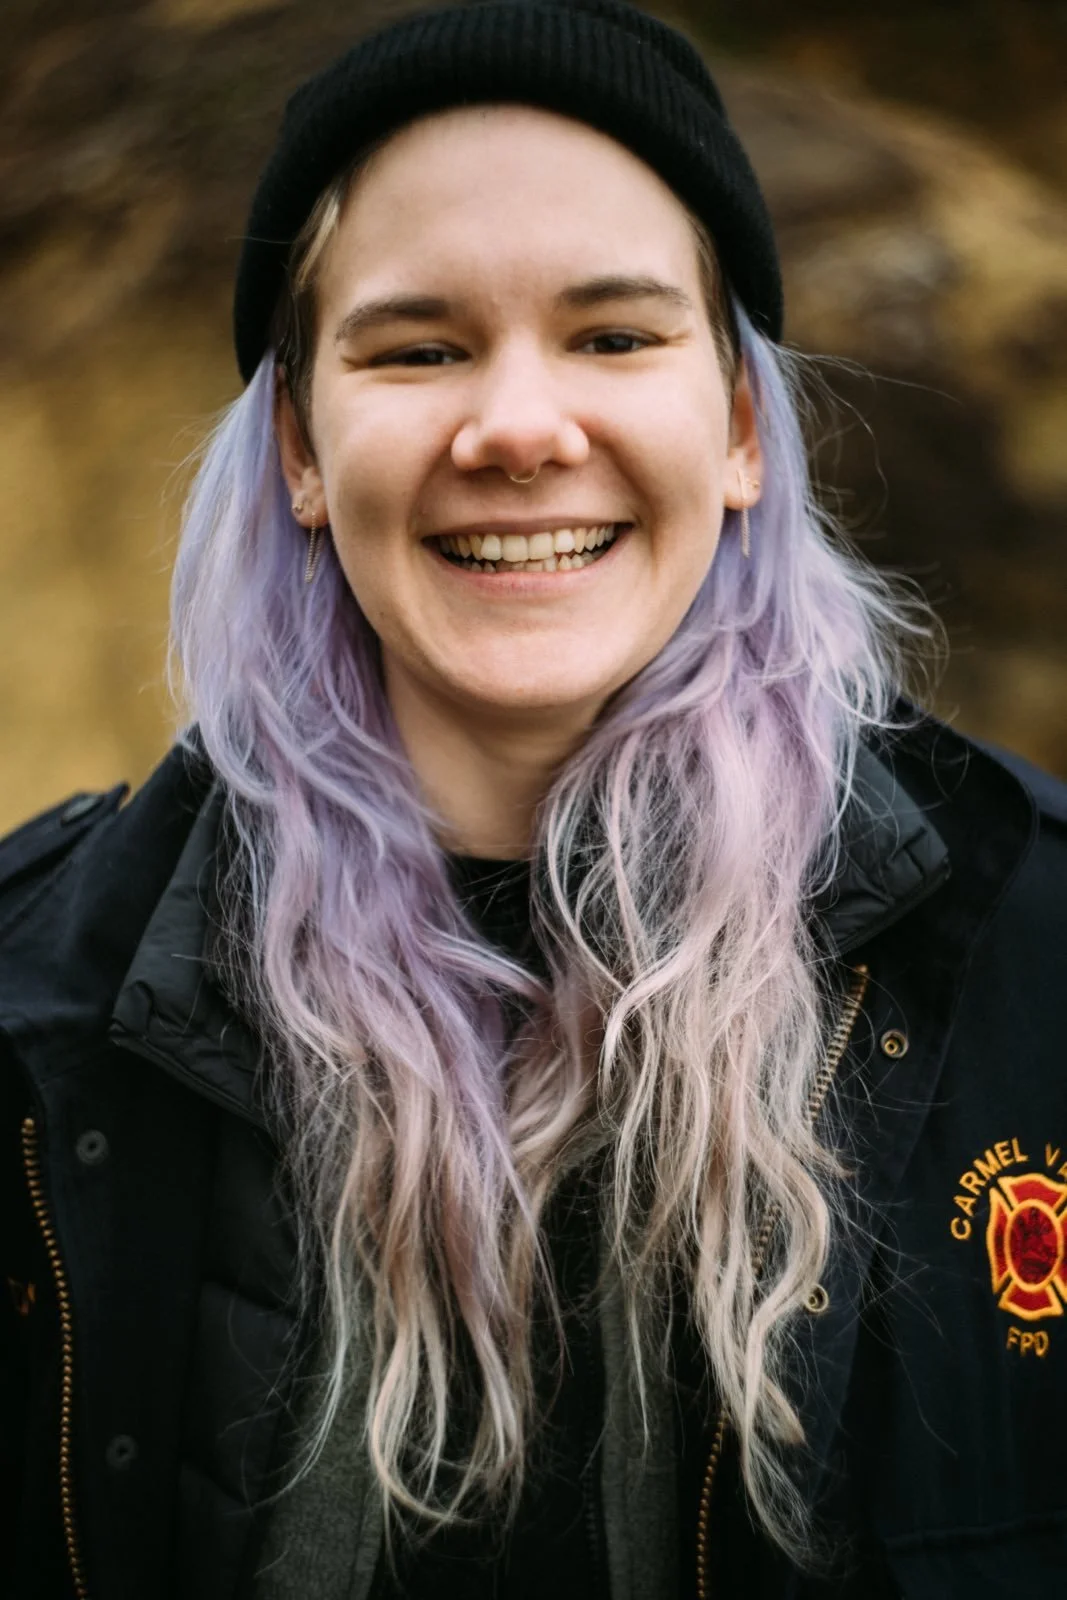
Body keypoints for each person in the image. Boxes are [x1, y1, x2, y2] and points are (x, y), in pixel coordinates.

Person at [2, 1, 1065, 1596]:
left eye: (614, 336)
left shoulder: (1035, 946)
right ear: (300, 443)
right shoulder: (36, 989)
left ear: (736, 428)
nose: (515, 428)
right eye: (417, 347)